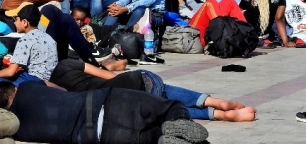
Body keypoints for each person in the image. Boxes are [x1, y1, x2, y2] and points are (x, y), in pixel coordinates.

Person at [0, 80, 209, 144]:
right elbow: (60, 88)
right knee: (170, 106)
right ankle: (178, 121)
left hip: (99, 136)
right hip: (108, 101)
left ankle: (164, 137)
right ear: (15, 89)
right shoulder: (28, 87)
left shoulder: (17, 129)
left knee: (153, 136)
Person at [50, 58, 256, 122]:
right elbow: (110, 76)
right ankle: (213, 101)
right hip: (142, 78)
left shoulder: (68, 94)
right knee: (165, 91)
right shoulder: (68, 64)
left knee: (167, 109)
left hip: (132, 98)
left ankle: (217, 114)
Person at [0, 4, 58, 87]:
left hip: (32, 79)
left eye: (16, 19)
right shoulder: (50, 38)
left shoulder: (25, 39)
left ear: (24, 22)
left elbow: (10, 72)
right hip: (49, 79)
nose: (14, 23)